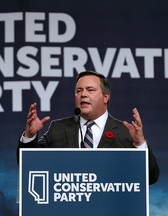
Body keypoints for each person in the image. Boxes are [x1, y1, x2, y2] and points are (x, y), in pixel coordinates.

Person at [17, 70, 159, 184]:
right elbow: (29, 167)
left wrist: (140, 145)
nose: (83, 94)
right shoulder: (59, 128)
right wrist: (29, 137)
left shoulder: (125, 132)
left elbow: (150, 177)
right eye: (78, 91)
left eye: (90, 90)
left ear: (105, 97)